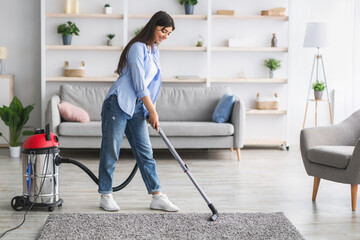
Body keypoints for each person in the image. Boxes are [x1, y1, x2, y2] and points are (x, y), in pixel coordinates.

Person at [98, 11, 179, 212]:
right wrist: (152, 111)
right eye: (163, 31)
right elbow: (139, 83)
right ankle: (105, 195)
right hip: (118, 103)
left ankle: (157, 195)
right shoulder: (137, 48)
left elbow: (153, 86)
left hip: (136, 108)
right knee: (111, 151)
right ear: (153, 26)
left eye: (168, 33)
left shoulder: (154, 51)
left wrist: (150, 111)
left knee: (145, 152)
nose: (165, 36)